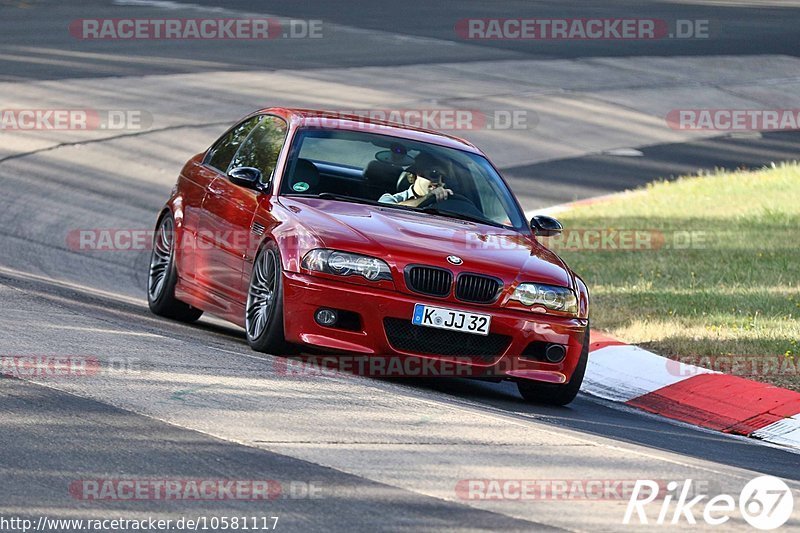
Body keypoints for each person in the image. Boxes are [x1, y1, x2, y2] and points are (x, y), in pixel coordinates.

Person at [378, 153, 454, 207]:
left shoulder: (449, 204)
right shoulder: (390, 199)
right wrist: (427, 198)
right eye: (434, 174)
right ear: (415, 174)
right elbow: (389, 212)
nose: (439, 182)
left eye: (444, 178)